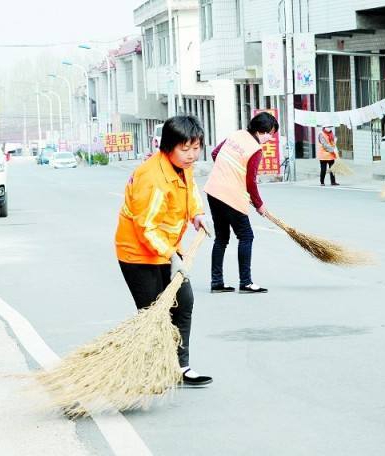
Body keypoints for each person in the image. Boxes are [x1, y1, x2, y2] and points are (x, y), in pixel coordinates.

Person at [115, 115, 212, 387]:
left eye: (196, 147)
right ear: (168, 146)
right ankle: (148, 372)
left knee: (184, 302)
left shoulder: (182, 166)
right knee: (153, 314)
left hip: (167, 247)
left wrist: (198, 214)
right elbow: (146, 227)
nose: (192, 155)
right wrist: (172, 258)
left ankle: (181, 367)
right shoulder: (152, 177)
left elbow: (190, 190)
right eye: (186, 148)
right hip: (138, 252)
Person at [204, 112, 279, 294]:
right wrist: (259, 204)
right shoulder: (255, 149)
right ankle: (245, 282)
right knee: (246, 236)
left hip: (213, 191)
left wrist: (226, 171)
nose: (270, 138)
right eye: (271, 134)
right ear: (263, 131)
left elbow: (215, 153)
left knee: (221, 238)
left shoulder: (236, 135)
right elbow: (250, 181)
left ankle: (217, 282)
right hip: (231, 196)